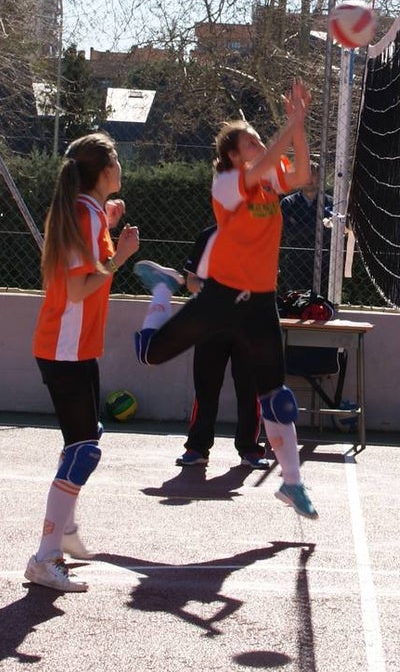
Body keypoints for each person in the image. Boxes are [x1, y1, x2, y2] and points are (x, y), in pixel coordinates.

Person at [132, 79, 319, 518]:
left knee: (277, 396)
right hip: (222, 295)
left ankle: (292, 483)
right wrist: (289, 125)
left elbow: (303, 176)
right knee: (152, 355)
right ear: (234, 154)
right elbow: (263, 167)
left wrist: (299, 126)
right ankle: (163, 289)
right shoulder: (227, 181)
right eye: (249, 140)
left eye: (258, 137)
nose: (257, 141)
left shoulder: (268, 176)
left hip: (259, 300)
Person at [27, 132, 140, 591]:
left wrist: (108, 226)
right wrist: (123, 258)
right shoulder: (82, 214)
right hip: (63, 347)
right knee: (84, 450)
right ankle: (45, 556)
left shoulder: (89, 212)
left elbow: (85, 264)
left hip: (73, 346)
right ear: (104, 171)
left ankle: (66, 533)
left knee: (87, 438)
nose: (121, 167)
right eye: (116, 160)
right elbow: (78, 288)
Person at [175, 224, 269, 470]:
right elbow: (192, 280)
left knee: (249, 391)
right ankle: (197, 447)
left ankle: (250, 449)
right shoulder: (207, 235)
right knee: (205, 389)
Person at [280, 161, 333, 296]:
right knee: (296, 300)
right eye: (305, 175)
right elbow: (288, 233)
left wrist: (299, 226)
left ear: (320, 178)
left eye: (313, 175)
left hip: (325, 260)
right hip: (295, 260)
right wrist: (319, 226)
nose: (309, 179)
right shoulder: (288, 203)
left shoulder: (331, 203)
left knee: (322, 303)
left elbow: (332, 234)